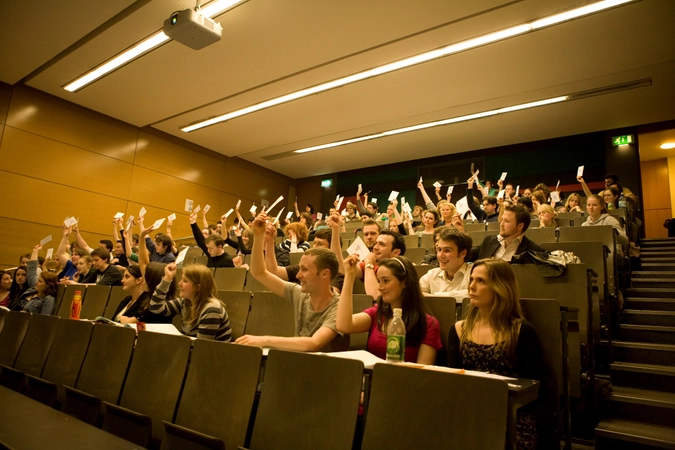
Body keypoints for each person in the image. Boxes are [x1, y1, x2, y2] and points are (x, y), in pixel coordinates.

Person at [448, 259, 543, 450]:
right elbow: (453, 383)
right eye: (471, 279)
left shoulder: (521, 331)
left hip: (511, 414)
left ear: (500, 288)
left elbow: (533, 388)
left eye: (481, 281)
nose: (472, 286)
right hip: (469, 411)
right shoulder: (459, 330)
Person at [236, 213, 346, 352]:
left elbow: (313, 343)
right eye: (299, 269)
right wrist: (258, 237)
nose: (298, 275)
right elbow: (259, 273)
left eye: (304, 270)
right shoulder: (299, 294)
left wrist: (265, 340)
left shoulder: (339, 308)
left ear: (325, 274)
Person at [338, 254, 442, 363]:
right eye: (379, 281)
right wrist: (349, 277)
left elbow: (423, 372)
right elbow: (343, 325)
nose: (380, 287)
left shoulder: (428, 324)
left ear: (404, 282)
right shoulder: (377, 312)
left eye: (386, 281)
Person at [149, 263, 231, 341]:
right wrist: (167, 278)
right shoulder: (185, 302)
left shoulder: (212, 310)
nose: (179, 284)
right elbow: (155, 308)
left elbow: (201, 347)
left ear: (198, 287)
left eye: (185, 281)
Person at [471, 205, 545, 261]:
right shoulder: (488, 241)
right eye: (502, 220)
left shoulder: (534, 252)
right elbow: (467, 254)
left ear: (520, 226)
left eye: (506, 221)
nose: (501, 224)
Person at [419, 227, 473, 299]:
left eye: (447, 250)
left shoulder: (473, 273)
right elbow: (416, 295)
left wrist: (434, 297)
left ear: (463, 253)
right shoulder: (431, 275)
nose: (440, 255)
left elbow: (473, 294)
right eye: (439, 250)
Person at [10, 245, 57, 315]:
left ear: (48, 285)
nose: (36, 282)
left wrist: (27, 316)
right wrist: (35, 251)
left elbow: (44, 320)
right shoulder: (33, 289)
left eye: (40, 281)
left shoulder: (48, 299)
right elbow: (31, 271)